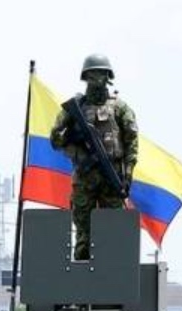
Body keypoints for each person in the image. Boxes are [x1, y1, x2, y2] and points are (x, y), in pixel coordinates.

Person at [49, 54, 140, 260]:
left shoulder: (119, 108)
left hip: (112, 177)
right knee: (83, 234)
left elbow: (132, 142)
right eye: (91, 75)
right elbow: (55, 139)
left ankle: (111, 276)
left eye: (100, 74)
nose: (95, 79)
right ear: (85, 77)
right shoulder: (76, 107)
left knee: (112, 233)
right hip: (84, 177)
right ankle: (82, 281)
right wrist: (76, 149)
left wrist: (127, 175)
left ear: (108, 77)